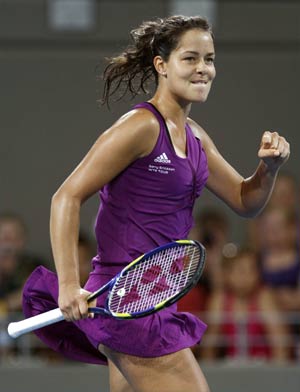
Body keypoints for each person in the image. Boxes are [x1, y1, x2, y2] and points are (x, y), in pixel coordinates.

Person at [22, 15, 290, 392]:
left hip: (155, 300)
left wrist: (269, 168)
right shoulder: (141, 127)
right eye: (190, 58)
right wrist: (68, 284)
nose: (203, 69)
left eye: (209, 59)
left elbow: (246, 200)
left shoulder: (196, 137)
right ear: (161, 65)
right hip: (125, 303)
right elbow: (65, 197)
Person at [201, 249, 291, 363]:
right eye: (240, 270)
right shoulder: (219, 299)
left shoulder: (264, 297)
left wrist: (276, 376)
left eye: (252, 270)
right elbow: (210, 347)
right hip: (231, 368)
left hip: (264, 367)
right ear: (227, 274)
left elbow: (281, 346)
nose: (246, 276)